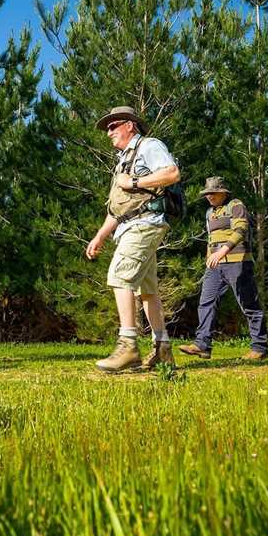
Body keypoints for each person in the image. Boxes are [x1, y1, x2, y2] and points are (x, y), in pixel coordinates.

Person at [85, 106, 181, 373]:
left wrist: (136, 183)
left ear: (130, 125)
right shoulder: (122, 162)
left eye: (113, 126)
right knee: (148, 292)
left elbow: (172, 173)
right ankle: (162, 350)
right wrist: (99, 236)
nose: (109, 133)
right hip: (129, 225)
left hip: (144, 224)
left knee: (120, 276)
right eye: (107, 128)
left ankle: (128, 345)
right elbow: (118, 208)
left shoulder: (149, 145)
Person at [179, 177, 268, 360]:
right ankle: (202, 345)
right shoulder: (209, 213)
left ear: (223, 192)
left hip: (238, 262)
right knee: (206, 302)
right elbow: (210, 238)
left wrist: (222, 252)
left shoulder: (236, 205)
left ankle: (259, 347)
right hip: (215, 265)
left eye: (213, 193)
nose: (209, 196)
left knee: (248, 303)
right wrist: (209, 257)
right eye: (206, 193)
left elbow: (241, 231)